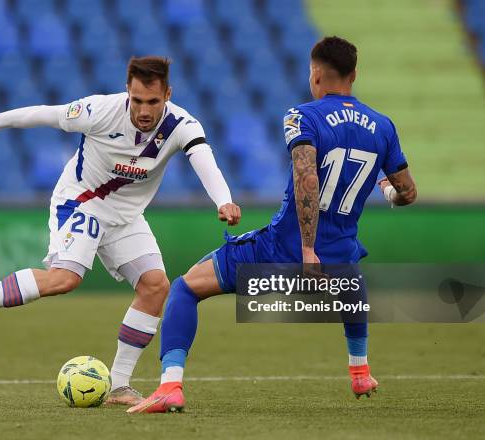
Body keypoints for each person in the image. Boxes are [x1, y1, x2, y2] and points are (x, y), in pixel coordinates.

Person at [0, 56, 241, 406]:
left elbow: (203, 158)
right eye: (137, 100)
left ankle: (119, 385)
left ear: (167, 94)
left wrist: (223, 201)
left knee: (156, 287)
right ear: (128, 92)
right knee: (64, 279)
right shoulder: (99, 110)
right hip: (81, 202)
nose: (144, 110)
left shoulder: (181, 124)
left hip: (126, 217)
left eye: (153, 101)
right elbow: (44, 113)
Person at [128, 36, 417, 413]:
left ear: (315, 74)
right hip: (340, 253)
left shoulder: (303, 116)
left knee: (185, 287)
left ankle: (169, 386)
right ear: (354, 75)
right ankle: (360, 371)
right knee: (351, 275)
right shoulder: (383, 126)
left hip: (284, 249)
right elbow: (407, 192)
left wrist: (307, 249)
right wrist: (389, 193)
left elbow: (306, 178)